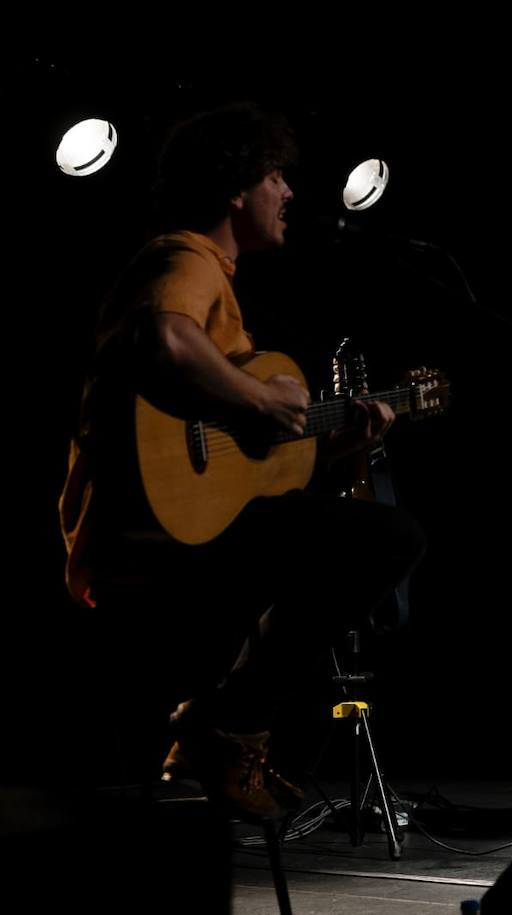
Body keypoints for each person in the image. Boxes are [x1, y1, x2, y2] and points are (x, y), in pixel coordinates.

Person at [59, 103, 427, 818]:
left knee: (341, 537)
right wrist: (260, 402)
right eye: (276, 176)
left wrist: (346, 437)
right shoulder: (182, 258)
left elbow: (258, 467)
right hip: (145, 549)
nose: (288, 192)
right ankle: (227, 724)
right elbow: (167, 342)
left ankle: (231, 727)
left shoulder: (216, 280)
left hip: (182, 540)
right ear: (236, 186)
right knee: (389, 538)